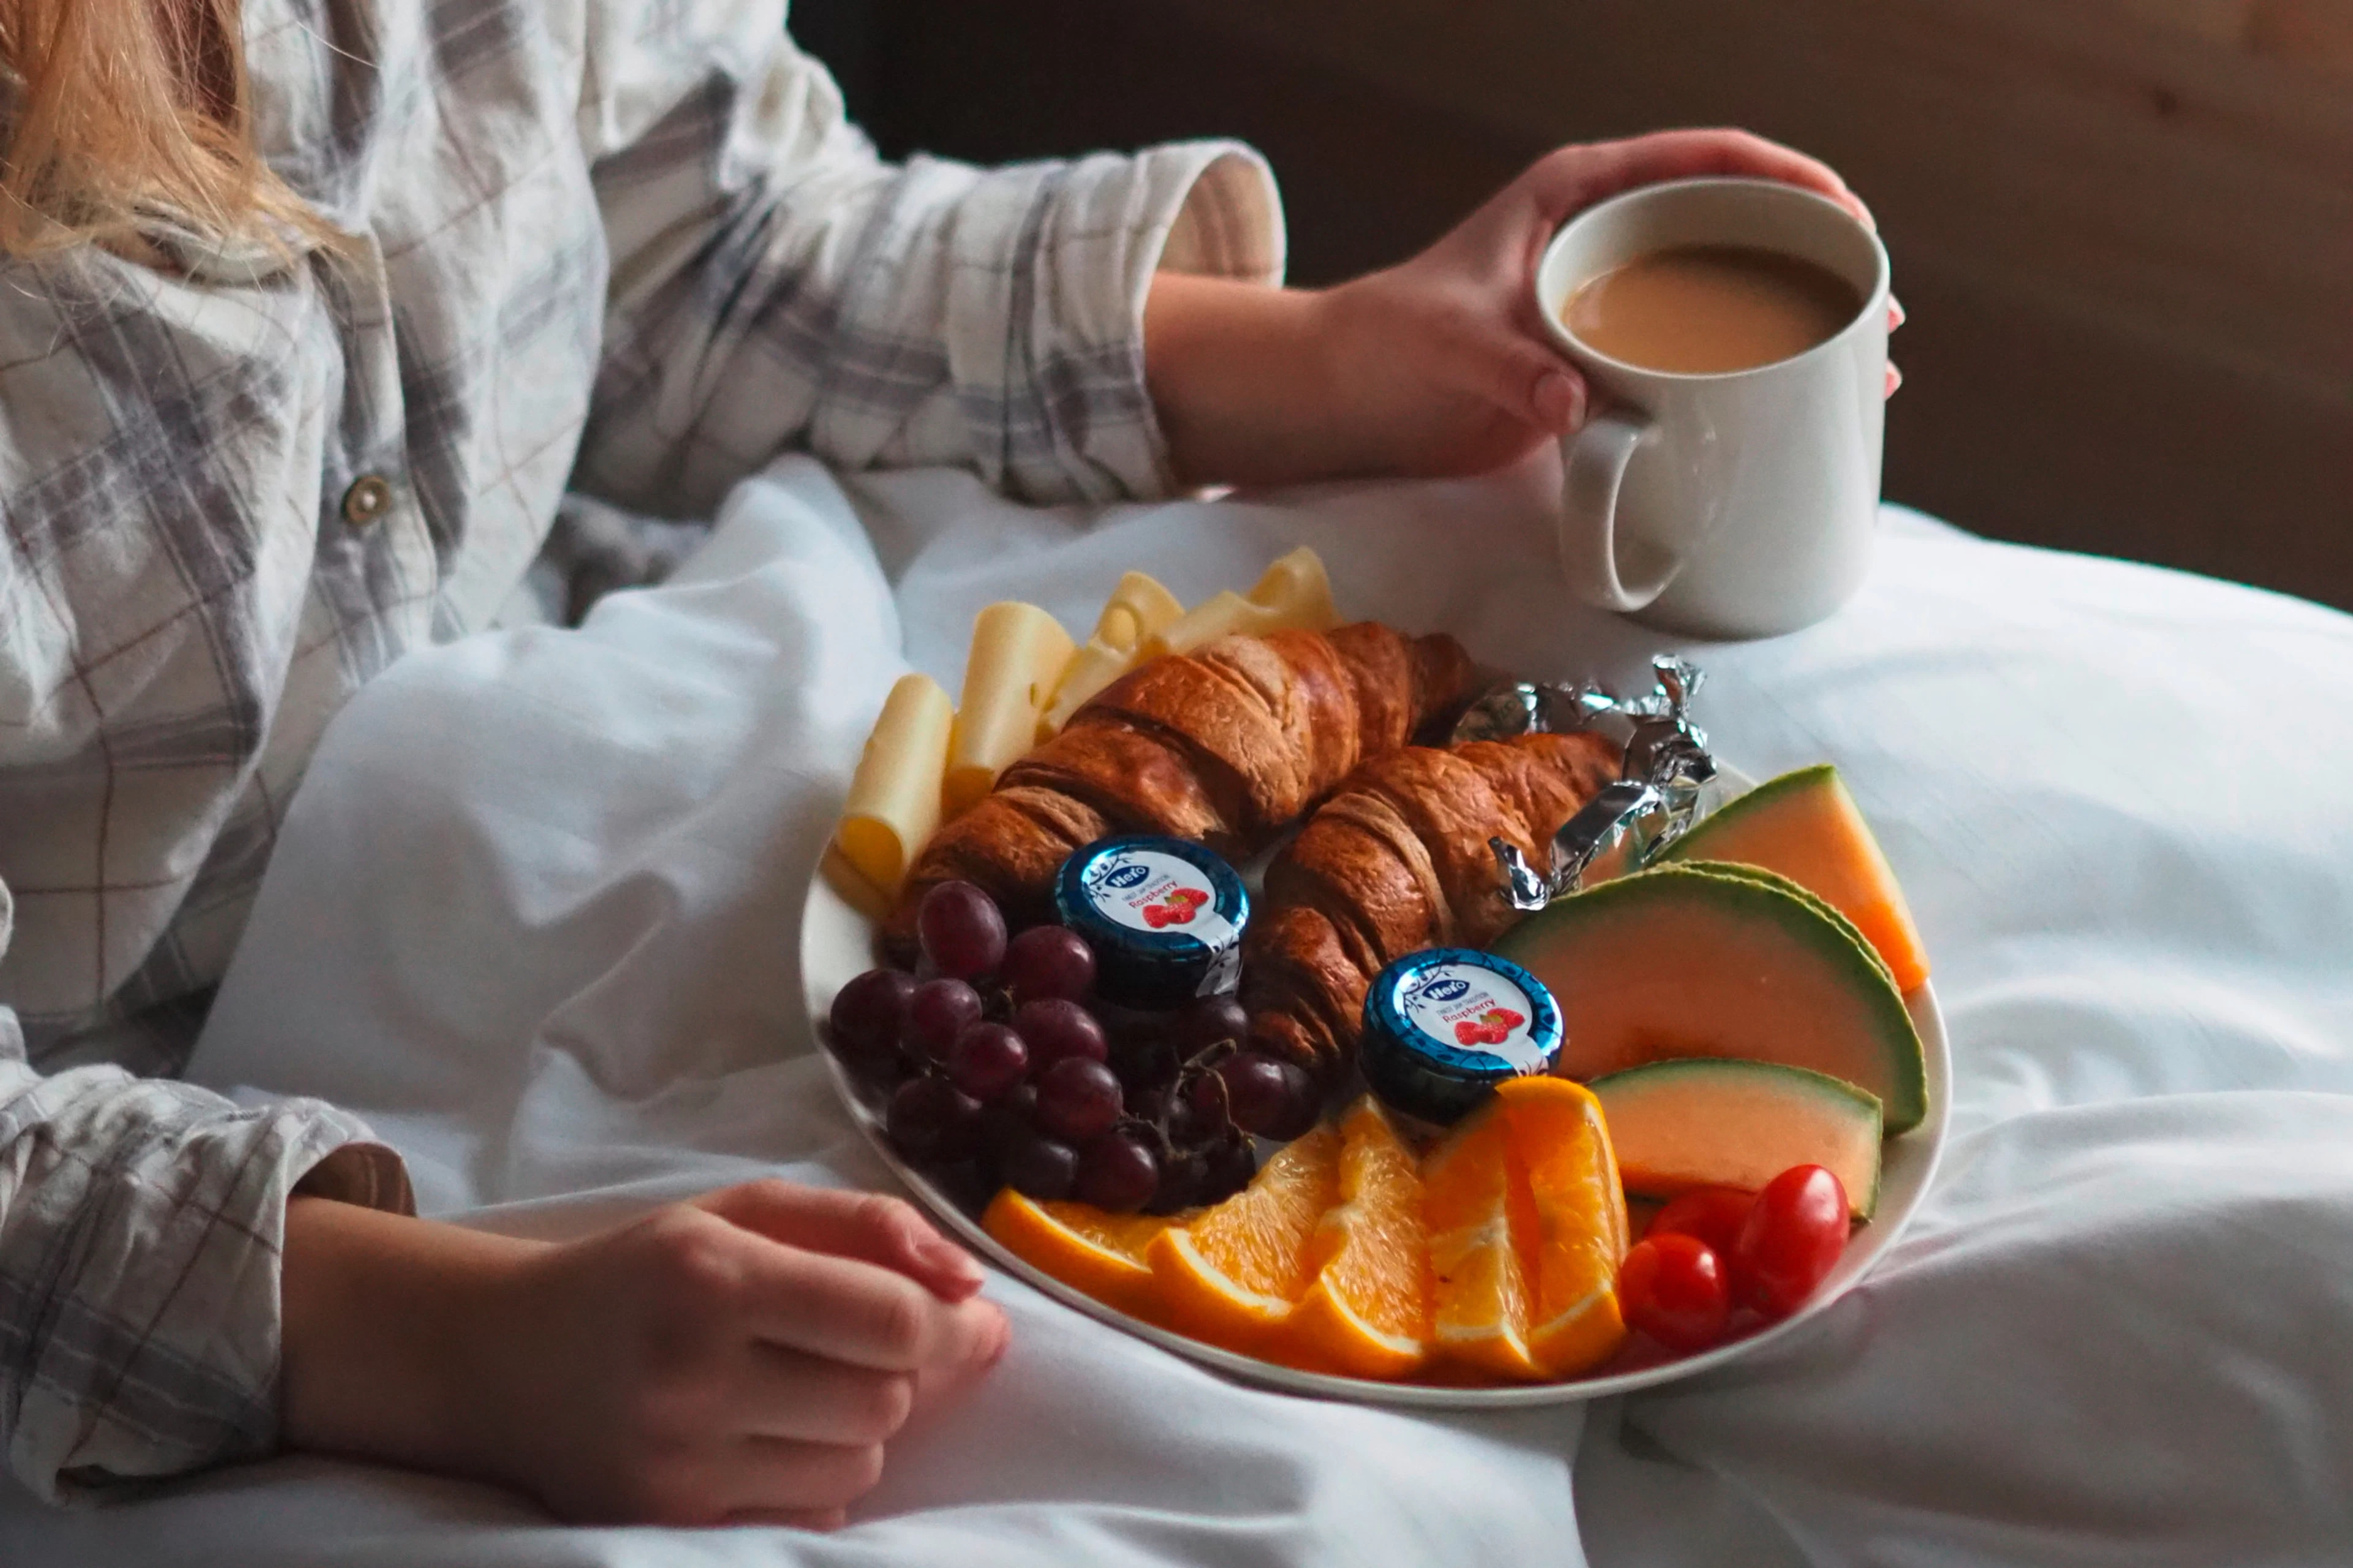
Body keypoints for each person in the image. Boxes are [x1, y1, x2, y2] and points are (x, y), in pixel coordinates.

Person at [0, 0, 1888, 1530]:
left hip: (628, 747)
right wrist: (444, 1354)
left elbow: (707, 245)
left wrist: (1324, 358)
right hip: (224, 1191)